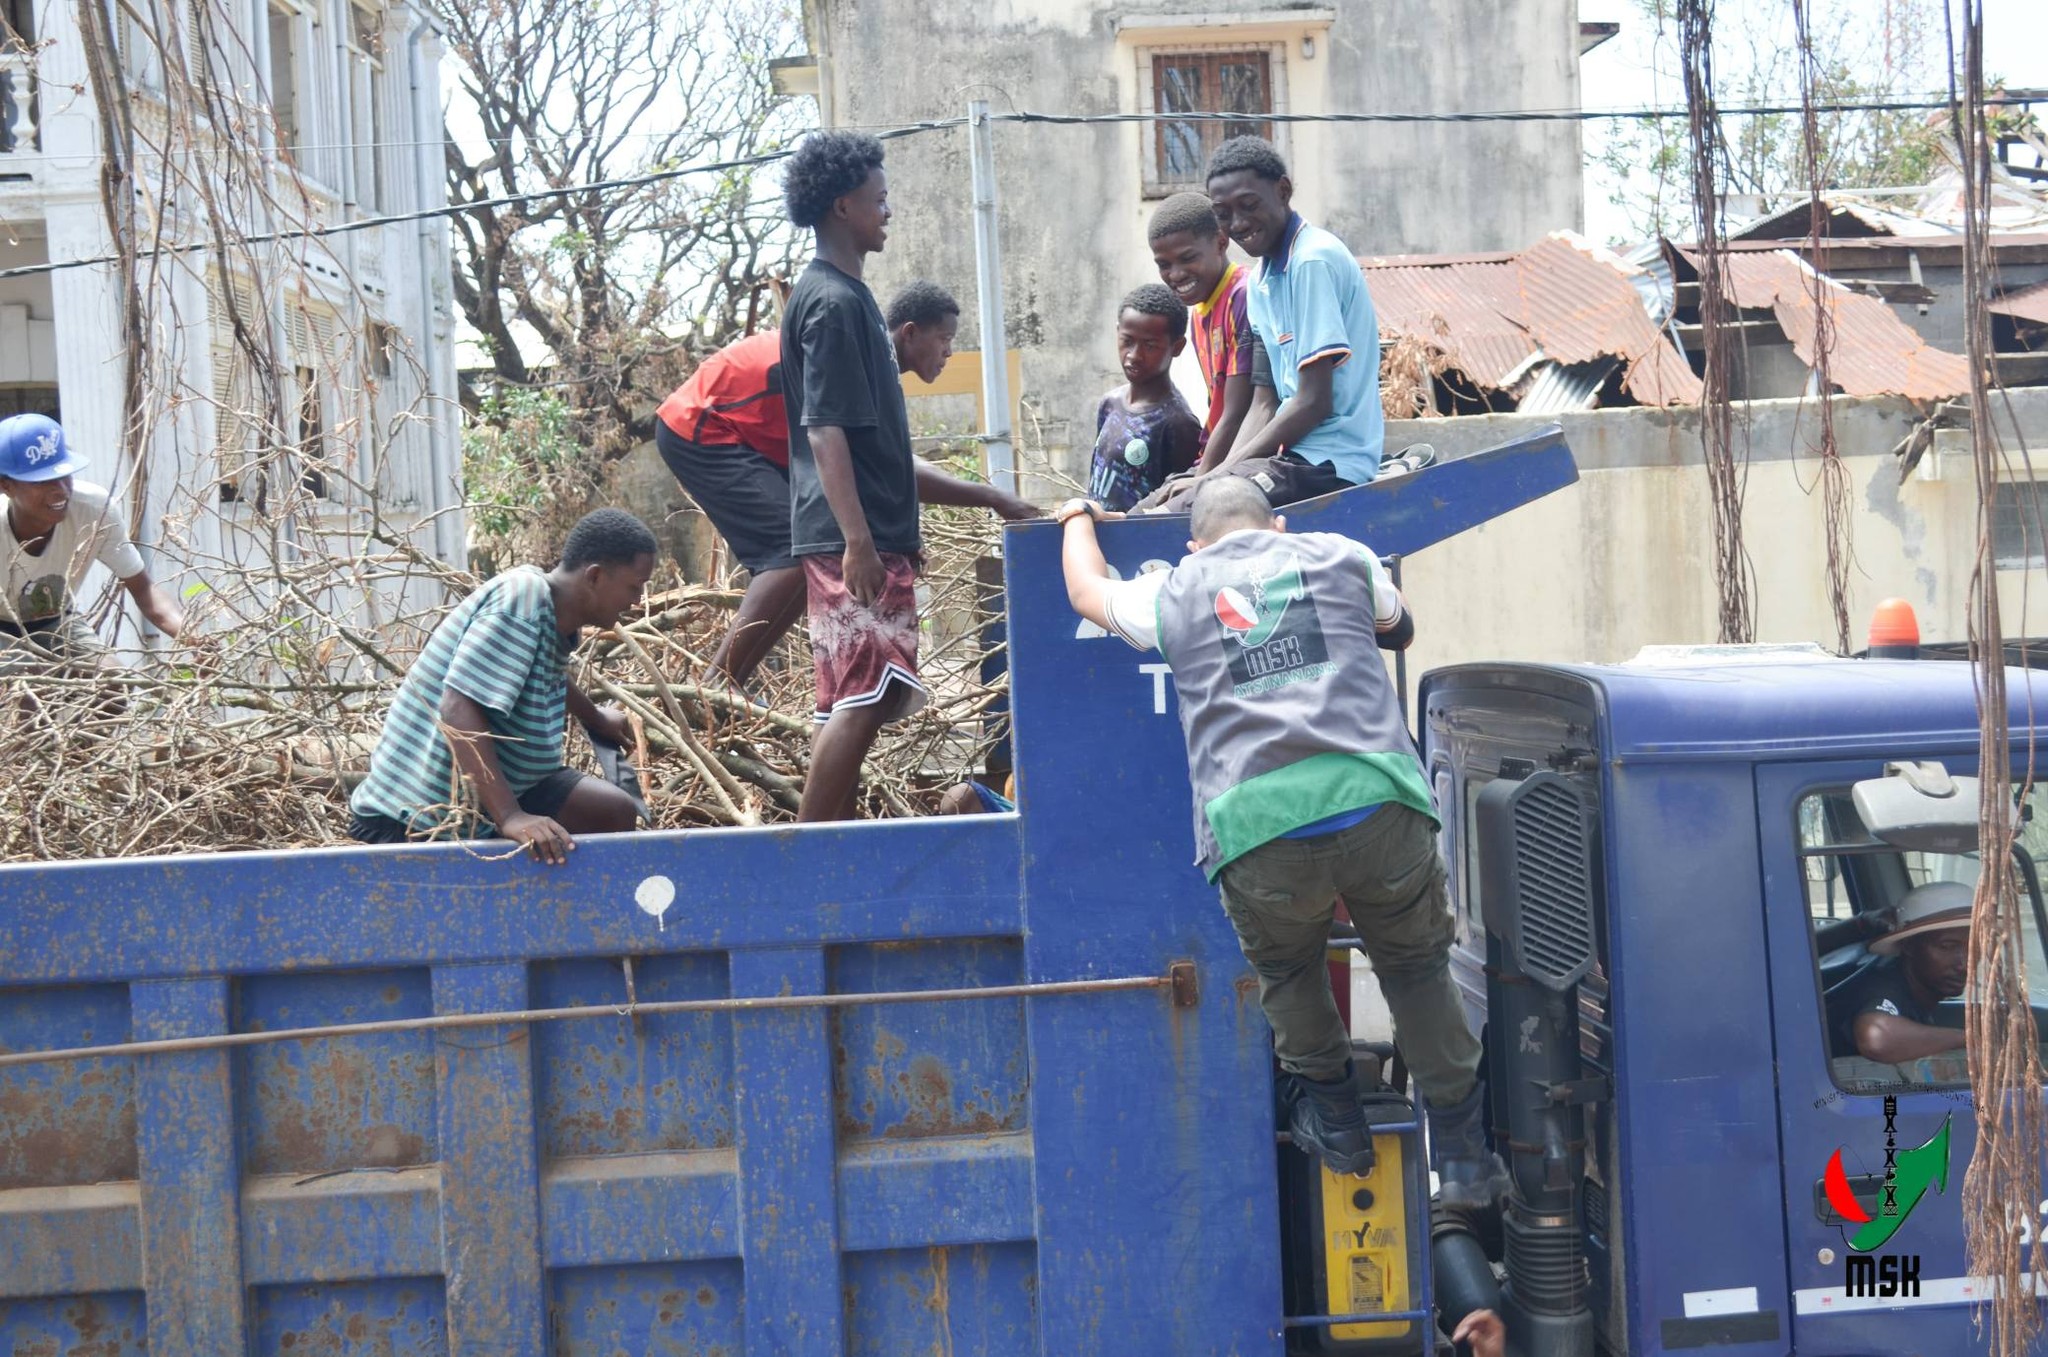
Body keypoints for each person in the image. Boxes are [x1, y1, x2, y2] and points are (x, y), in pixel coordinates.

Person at [1057, 476, 1507, 1205]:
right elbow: (1398, 625)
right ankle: (1461, 1156)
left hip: (1258, 828)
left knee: (1292, 972)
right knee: (1417, 969)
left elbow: (1086, 590)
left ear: (1194, 545)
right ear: (1279, 525)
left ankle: (1338, 1121)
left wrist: (1076, 515)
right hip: (1377, 804)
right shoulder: (1340, 554)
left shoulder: (1173, 590)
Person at [652, 282, 1035, 689]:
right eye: (944, 338)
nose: (949, 352)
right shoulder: (859, 365)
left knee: (809, 551)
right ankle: (718, 684)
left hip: (760, 439)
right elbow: (895, 467)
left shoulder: (876, 370)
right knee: (793, 551)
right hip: (702, 426)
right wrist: (995, 498)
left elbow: (888, 463)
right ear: (909, 332)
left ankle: (729, 681)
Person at [779, 130, 945, 822]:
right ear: (844, 205)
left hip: (875, 530)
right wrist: (859, 542)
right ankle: (813, 855)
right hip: (852, 537)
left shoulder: (852, 300)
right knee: (869, 691)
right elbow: (825, 429)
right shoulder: (832, 303)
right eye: (880, 199)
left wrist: (896, 532)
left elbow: (875, 442)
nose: (889, 210)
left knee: (856, 693)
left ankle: (831, 842)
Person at [348, 508, 657, 863]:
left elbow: (539, 670)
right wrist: (510, 816)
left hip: (511, 788)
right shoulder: (520, 601)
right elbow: (457, 709)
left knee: (612, 811)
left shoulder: (552, 611)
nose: (637, 601)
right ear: (596, 577)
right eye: (635, 586)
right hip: (421, 814)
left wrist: (594, 717)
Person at [1155, 137, 1384, 509]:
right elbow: (1264, 402)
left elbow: (1313, 401)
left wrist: (1219, 477)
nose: (1239, 223)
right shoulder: (1261, 281)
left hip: (1329, 461)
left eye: (1249, 205)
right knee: (1152, 506)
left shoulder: (1311, 261)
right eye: (1223, 214)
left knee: (1194, 508)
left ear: (1283, 190)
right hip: (1287, 456)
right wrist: (1216, 473)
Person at [0, 413, 185, 672]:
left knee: (112, 682)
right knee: (26, 688)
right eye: (41, 481)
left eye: (65, 475)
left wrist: (191, 637)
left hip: (56, 621)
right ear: (5, 485)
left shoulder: (93, 510)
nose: (60, 490)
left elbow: (143, 589)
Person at [1147, 191, 1263, 471]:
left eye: (1187, 258)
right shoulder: (1199, 313)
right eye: (1164, 265)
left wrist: (1200, 478)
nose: (1175, 275)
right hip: (1218, 457)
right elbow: (1217, 404)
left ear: (1221, 243)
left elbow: (1236, 413)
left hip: (1249, 457)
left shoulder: (1243, 296)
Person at [1086, 284, 1202, 512]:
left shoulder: (1178, 423)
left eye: (1150, 346)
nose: (1134, 355)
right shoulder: (1110, 404)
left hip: (1142, 542)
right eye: (1127, 340)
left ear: (1176, 347)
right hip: (1098, 538)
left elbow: (1181, 502)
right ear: (1117, 331)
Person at [1827, 881, 1972, 1064]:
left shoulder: (1916, 991)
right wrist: (1968, 1039)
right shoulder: (1884, 986)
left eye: (1974, 947)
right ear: (1909, 946)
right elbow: (1877, 1037)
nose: (1965, 964)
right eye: (1947, 947)